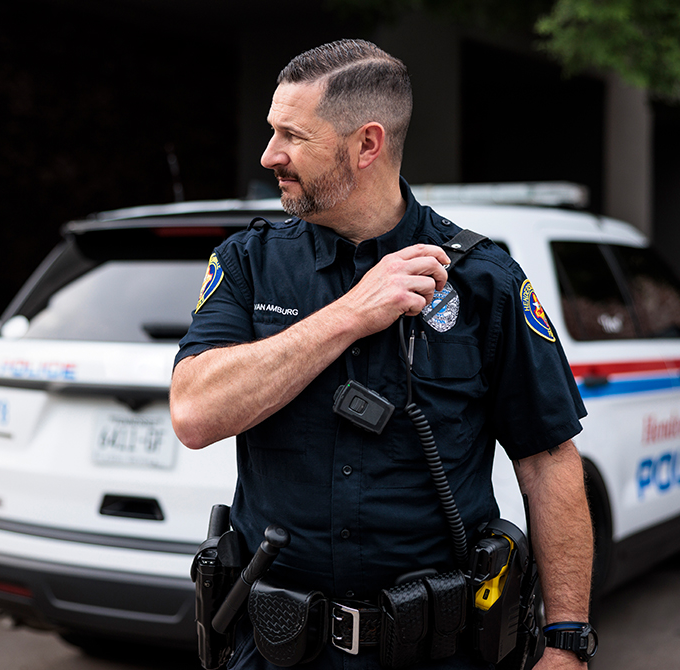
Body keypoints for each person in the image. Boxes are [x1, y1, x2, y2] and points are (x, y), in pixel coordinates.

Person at [171, 39, 594, 670]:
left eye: (293, 136)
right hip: (276, 648)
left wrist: (566, 641)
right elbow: (193, 413)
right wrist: (350, 314)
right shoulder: (248, 263)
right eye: (271, 130)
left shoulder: (485, 280)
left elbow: (548, 460)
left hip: (438, 649)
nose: (269, 155)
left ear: (367, 144)